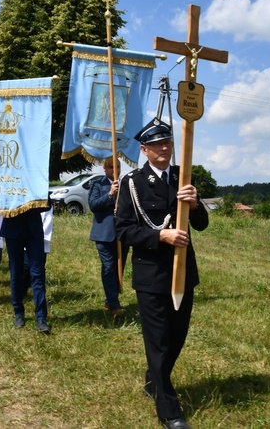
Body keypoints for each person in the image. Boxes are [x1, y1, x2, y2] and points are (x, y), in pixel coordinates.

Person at [115, 118, 208, 429]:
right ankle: (169, 411)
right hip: (151, 273)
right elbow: (124, 230)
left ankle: (154, 378)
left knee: (176, 335)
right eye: (156, 145)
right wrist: (159, 237)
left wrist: (194, 206)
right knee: (157, 340)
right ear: (144, 150)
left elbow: (202, 223)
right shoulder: (133, 183)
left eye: (167, 143)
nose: (164, 148)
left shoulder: (184, 177)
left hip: (183, 274)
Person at [1, 203, 52, 334]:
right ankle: (18, 312)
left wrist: (29, 206)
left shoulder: (37, 181)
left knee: (37, 273)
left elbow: (47, 204)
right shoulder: (9, 182)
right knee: (16, 273)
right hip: (12, 229)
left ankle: (41, 318)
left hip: (33, 230)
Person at [89, 156, 129, 317]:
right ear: (104, 169)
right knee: (109, 267)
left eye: (117, 167)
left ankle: (109, 299)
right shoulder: (97, 184)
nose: (114, 170)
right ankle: (114, 305)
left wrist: (122, 210)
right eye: (111, 167)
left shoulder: (126, 184)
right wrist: (110, 195)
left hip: (123, 233)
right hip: (104, 234)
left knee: (119, 269)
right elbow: (93, 205)